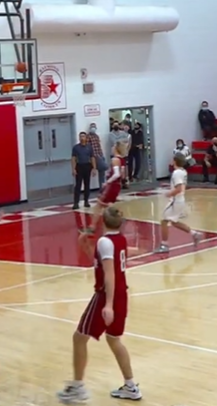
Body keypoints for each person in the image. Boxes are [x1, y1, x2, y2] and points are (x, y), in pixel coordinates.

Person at [57, 207, 141, 403]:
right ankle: (130, 386)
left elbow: (109, 274)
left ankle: (77, 388)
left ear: (103, 221)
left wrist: (108, 305)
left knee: (79, 338)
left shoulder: (105, 242)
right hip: (122, 295)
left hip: (106, 296)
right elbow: (101, 266)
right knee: (114, 340)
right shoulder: (119, 239)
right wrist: (86, 247)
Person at [155, 154, 202, 254]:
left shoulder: (176, 173)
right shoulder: (183, 171)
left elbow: (179, 188)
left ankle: (164, 245)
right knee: (174, 221)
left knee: (164, 221)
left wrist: (169, 194)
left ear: (175, 161)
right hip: (180, 200)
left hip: (175, 200)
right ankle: (195, 234)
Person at [85, 142, 124, 234]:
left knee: (100, 204)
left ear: (116, 148)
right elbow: (122, 174)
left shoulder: (115, 159)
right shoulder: (122, 159)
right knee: (108, 204)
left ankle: (92, 227)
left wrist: (107, 182)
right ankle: (118, 218)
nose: (112, 148)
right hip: (117, 185)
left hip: (112, 185)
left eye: (113, 146)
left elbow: (117, 174)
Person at [71, 132, 97, 209]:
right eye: (81, 136)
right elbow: (73, 159)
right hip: (79, 166)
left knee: (87, 185)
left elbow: (92, 157)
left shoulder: (89, 147)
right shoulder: (76, 148)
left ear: (86, 138)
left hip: (87, 166)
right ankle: (76, 202)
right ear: (79, 138)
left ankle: (86, 201)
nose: (82, 138)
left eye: (83, 136)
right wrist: (73, 169)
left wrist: (94, 168)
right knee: (78, 185)